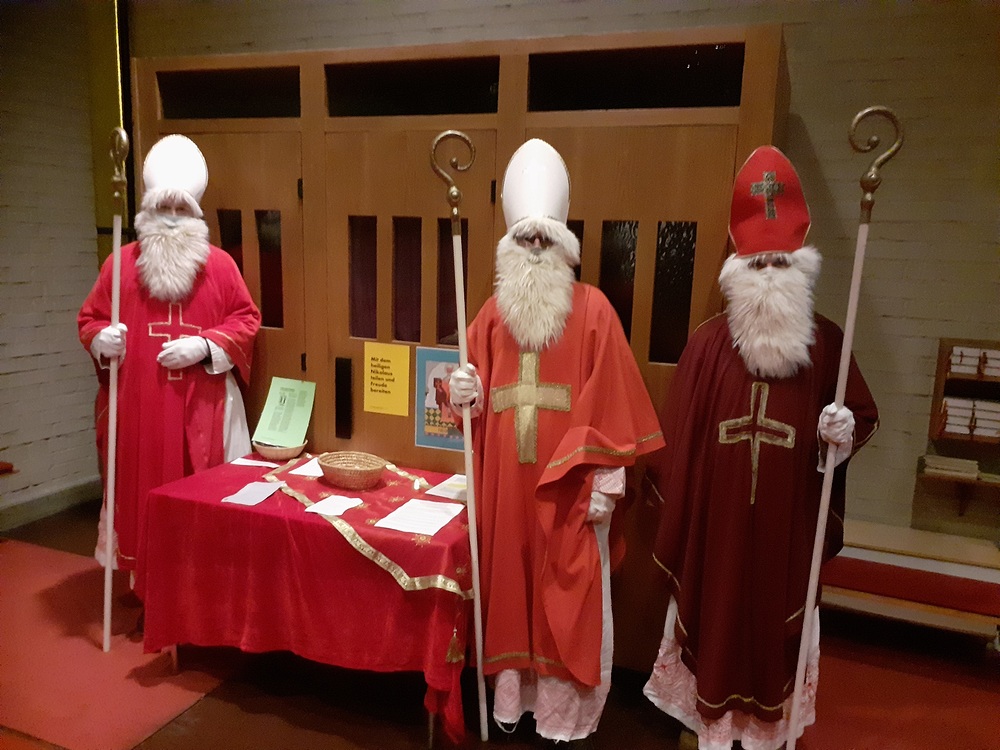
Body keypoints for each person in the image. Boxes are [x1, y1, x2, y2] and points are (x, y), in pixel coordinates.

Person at [642, 146, 879, 750]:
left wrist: (838, 436)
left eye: (781, 263)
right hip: (716, 540)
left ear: (801, 268)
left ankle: (767, 739)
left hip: (786, 537)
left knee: (777, 632)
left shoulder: (827, 343)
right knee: (714, 627)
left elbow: (859, 416)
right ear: (738, 270)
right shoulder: (706, 347)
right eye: (758, 264)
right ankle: (711, 732)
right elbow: (677, 448)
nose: (770, 273)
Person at [449, 138, 665, 744]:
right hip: (506, 497)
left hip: (568, 496)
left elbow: (616, 403)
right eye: (525, 239)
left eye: (545, 238)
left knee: (566, 598)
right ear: (509, 246)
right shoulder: (492, 315)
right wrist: (462, 391)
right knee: (510, 593)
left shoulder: (594, 311)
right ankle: (513, 706)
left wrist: (605, 481)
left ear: (565, 244)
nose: (536, 249)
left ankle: (563, 719)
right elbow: (466, 395)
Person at [78, 134, 261, 575]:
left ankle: (202, 588)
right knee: (141, 495)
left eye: (183, 210)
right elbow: (91, 318)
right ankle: (146, 582)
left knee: (205, 498)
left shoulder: (220, 265)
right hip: (141, 407)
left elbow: (246, 319)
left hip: (203, 405)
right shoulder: (119, 265)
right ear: (148, 212)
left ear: (196, 215)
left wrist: (205, 346)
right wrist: (101, 339)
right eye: (165, 209)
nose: (174, 220)